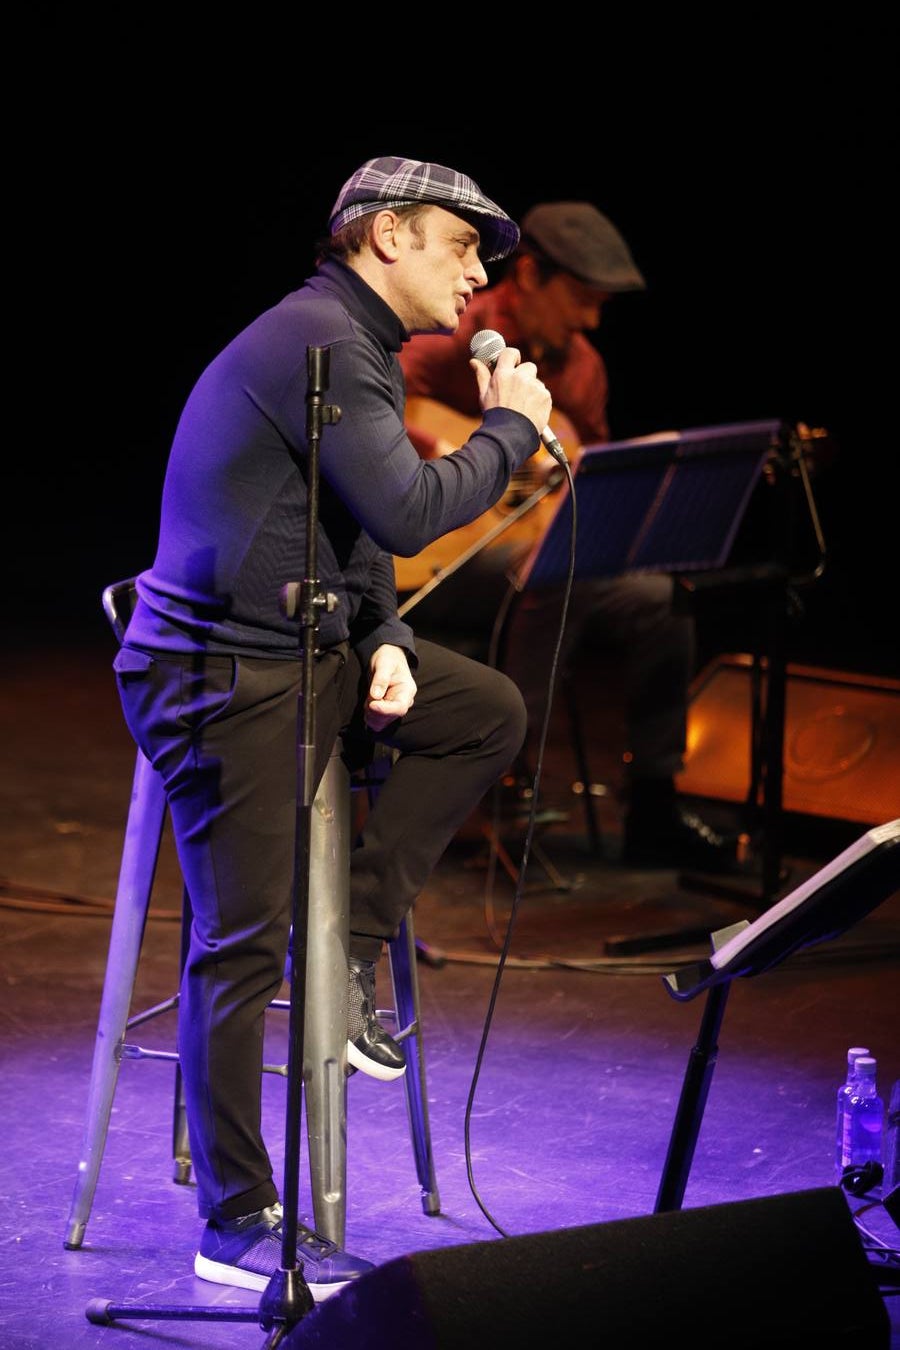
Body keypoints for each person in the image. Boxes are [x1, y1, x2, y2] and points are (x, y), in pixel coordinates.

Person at [111, 155, 554, 1300]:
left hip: (305, 650)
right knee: (241, 943)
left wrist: (389, 637)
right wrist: (511, 431)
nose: (479, 279)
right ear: (388, 234)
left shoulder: (359, 346)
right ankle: (236, 1221)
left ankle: (347, 949)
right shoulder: (319, 339)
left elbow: (352, 534)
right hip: (220, 674)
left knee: (485, 711)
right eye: (464, 248)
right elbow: (407, 510)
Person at [399, 200, 745, 872]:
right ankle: (501, 775)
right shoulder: (453, 328)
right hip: (433, 557)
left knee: (660, 600)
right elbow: (371, 407)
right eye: (582, 299)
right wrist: (444, 453)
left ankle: (653, 803)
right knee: (558, 572)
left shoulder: (584, 369)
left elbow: (581, 489)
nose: (590, 320)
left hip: (533, 559)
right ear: (530, 275)